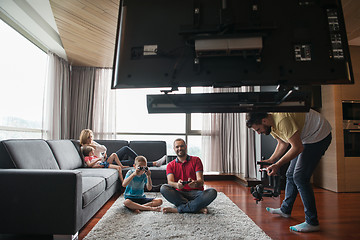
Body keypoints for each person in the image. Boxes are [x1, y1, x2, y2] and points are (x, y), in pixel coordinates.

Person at [246, 109, 332, 232]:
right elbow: (282, 143)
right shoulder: (271, 125)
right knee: (290, 174)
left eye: (258, 129)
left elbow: (297, 147)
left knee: (300, 177)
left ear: (264, 121)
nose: (259, 133)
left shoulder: (281, 120)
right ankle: (285, 210)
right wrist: (271, 160)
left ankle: (312, 222)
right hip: (305, 138)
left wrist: (278, 164)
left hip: (318, 136)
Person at [160, 138, 217, 214]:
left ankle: (178, 209)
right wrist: (177, 185)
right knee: (163, 188)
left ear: (186, 147)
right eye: (177, 147)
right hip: (180, 194)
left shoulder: (196, 160)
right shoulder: (170, 165)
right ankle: (196, 207)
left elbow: (201, 181)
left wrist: (195, 183)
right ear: (174, 149)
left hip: (196, 193)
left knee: (212, 192)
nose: (179, 148)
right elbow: (170, 182)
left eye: (182, 146)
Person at [79, 129, 167, 167]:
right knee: (130, 162)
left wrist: (95, 146)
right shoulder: (84, 147)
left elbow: (104, 149)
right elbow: (90, 160)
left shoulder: (93, 143)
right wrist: (101, 154)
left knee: (125, 148)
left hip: (108, 158)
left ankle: (140, 160)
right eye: (88, 137)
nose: (91, 139)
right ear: (84, 138)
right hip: (104, 162)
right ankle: (155, 163)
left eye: (91, 136)